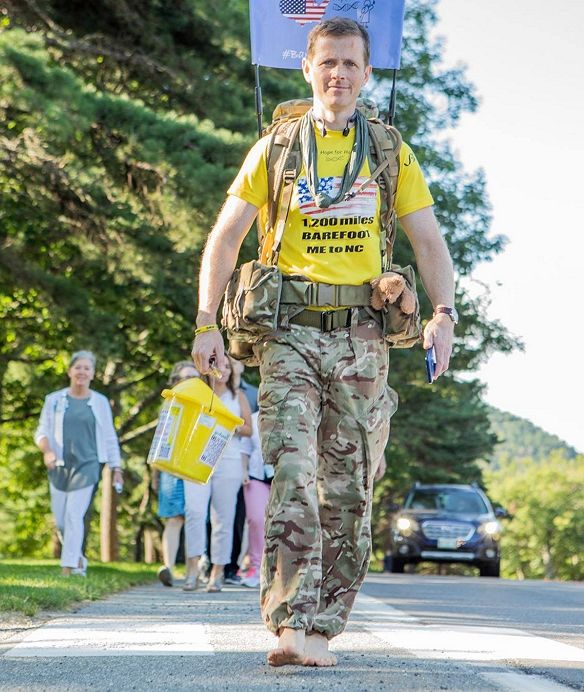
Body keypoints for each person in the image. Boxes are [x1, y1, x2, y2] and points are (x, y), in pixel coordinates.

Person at [192, 18, 455, 666]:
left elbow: (428, 243)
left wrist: (443, 313)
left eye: (351, 64)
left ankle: (321, 627)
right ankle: (288, 622)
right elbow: (226, 237)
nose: (338, 74)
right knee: (291, 470)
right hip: (288, 336)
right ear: (308, 69)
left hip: (363, 340)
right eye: (328, 62)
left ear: (367, 75)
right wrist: (205, 323)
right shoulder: (277, 148)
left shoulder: (390, 150)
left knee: (350, 489)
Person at [35, 350, 123, 577]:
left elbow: (110, 436)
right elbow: (42, 432)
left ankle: (68, 568)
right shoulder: (54, 400)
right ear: (70, 371)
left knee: (75, 515)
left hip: (89, 465)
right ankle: (78, 558)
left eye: (87, 368)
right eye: (78, 367)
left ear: (93, 374)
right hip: (60, 466)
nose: (82, 372)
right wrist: (47, 452)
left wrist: (116, 468)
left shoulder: (100, 402)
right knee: (62, 520)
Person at [182, 358, 252, 592]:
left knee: (223, 518)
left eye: (227, 367)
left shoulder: (237, 396)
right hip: (196, 459)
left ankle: (217, 571)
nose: (222, 370)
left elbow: (248, 429)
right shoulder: (199, 392)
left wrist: (229, 425)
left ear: (232, 372)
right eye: (218, 366)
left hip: (228, 461)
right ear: (208, 368)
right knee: (194, 512)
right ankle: (192, 567)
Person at [153, 359, 200, 587]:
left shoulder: (206, 402)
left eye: (194, 377)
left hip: (196, 468)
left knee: (195, 517)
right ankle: (168, 568)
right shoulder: (169, 404)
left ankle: (197, 566)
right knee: (174, 518)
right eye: (184, 377)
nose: (189, 381)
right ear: (175, 381)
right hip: (171, 467)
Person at [224, 357, 259, 585]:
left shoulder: (252, 394)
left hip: (246, 461)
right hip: (227, 461)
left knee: (239, 517)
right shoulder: (211, 390)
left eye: (234, 363)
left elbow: (250, 428)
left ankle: (238, 566)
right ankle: (217, 563)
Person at [239, 410, 273, 588]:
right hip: (255, 476)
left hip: (284, 478)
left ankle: (277, 572)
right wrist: (243, 471)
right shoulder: (252, 419)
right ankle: (255, 568)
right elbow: (244, 449)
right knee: (256, 519)